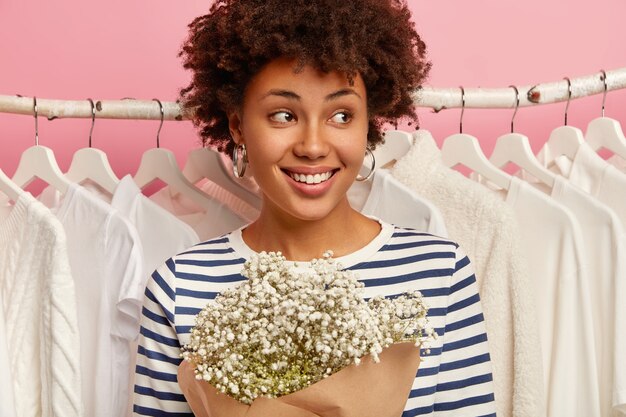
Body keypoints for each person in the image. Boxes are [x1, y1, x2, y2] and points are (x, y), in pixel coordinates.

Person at [132, 0, 497, 415]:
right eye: (283, 115)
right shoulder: (180, 287)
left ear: (369, 124)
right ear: (237, 125)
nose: (313, 146)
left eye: (341, 115)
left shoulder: (440, 273)